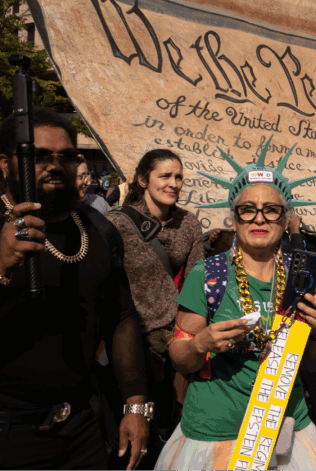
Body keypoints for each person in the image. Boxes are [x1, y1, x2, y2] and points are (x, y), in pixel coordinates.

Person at [157, 138, 316, 469]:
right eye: (247, 209)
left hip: (286, 431)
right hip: (216, 432)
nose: (259, 219)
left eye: (271, 210)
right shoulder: (207, 275)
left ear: (285, 220)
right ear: (235, 219)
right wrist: (201, 342)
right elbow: (180, 360)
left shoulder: (302, 276)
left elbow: (314, 356)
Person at [0, 107, 150, 469]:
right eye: (39, 155)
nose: (54, 165)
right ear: (5, 162)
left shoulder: (98, 228)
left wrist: (136, 406)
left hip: (80, 428)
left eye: (66, 156)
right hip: (1, 433)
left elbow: (120, 316)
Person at [106, 149, 205, 459]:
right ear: (142, 180)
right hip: (124, 337)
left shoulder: (188, 224)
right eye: (165, 176)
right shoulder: (116, 224)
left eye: (178, 177)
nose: (173, 183)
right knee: (124, 421)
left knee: (164, 422)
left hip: (169, 339)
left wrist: (189, 334)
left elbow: (195, 282)